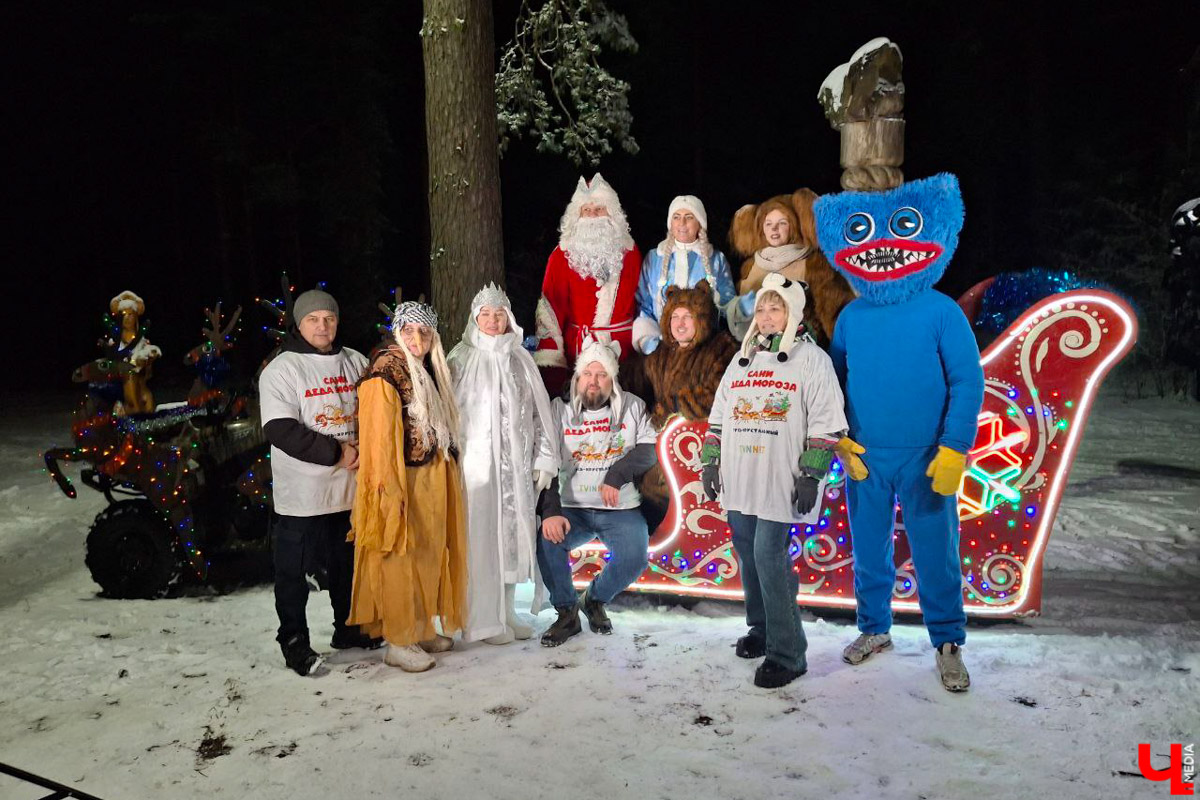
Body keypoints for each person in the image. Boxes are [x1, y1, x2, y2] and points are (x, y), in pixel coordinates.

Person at [814, 173, 985, 692]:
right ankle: (874, 629)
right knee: (869, 549)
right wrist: (838, 437)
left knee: (935, 549)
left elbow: (967, 380)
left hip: (926, 456)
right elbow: (834, 385)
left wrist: (955, 447)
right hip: (866, 456)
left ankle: (947, 641)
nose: (883, 247)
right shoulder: (851, 316)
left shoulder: (941, 310)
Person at [701, 273, 849, 688]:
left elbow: (825, 422)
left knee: (769, 554)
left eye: (775, 309)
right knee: (748, 554)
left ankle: (788, 652)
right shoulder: (741, 359)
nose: (766, 317)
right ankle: (761, 628)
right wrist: (710, 464)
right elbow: (718, 417)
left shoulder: (812, 360)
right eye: (762, 309)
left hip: (780, 477)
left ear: (792, 313)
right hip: (740, 477)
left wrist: (812, 472)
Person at [258, 288, 378, 676]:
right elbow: (281, 429)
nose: (322, 326)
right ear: (299, 323)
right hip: (304, 493)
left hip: (350, 489)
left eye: (329, 318)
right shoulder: (283, 369)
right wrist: (337, 453)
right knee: (293, 573)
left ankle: (348, 629)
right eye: (313, 319)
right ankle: (294, 642)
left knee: (348, 566)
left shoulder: (356, 361)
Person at [346, 300, 468, 673]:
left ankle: (420, 626)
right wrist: (388, 492)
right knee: (400, 554)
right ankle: (398, 639)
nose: (418, 338)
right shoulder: (386, 370)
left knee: (429, 552)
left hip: (431, 474)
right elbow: (380, 439)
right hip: (402, 478)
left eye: (426, 332)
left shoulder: (427, 367)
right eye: (411, 331)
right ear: (398, 331)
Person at [448, 283, 559, 645]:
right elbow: (447, 414)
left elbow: (541, 414)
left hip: (516, 469)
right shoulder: (459, 359)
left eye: (500, 314)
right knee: (479, 539)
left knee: (511, 540)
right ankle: (481, 617)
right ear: (474, 319)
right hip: (476, 472)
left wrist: (544, 457)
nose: (493, 321)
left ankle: (507, 611)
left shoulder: (520, 359)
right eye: (486, 315)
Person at [536, 338, 657, 646]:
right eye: (587, 374)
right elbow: (546, 459)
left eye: (601, 374)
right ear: (577, 377)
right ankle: (566, 613)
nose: (593, 381)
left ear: (612, 378)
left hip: (620, 508)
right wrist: (550, 512)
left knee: (634, 557)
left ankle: (594, 598)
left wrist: (616, 475)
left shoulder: (631, 406)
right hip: (572, 506)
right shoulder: (558, 409)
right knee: (548, 542)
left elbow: (648, 450)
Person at [533, 174, 642, 396]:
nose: (592, 216)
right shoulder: (561, 256)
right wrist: (553, 364)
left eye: (599, 209)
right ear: (576, 216)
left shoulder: (631, 253)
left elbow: (643, 303)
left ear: (612, 214)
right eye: (586, 210)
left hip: (624, 356)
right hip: (578, 355)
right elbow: (549, 311)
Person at [726, 189, 856, 346]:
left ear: (793, 226)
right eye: (768, 224)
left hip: (801, 348)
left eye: (782, 223)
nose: (774, 229)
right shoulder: (752, 266)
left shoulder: (813, 263)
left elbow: (835, 314)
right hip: (757, 349)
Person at [631, 195, 737, 354]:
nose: (682, 223)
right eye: (676, 217)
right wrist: (650, 343)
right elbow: (643, 303)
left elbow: (727, 303)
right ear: (670, 223)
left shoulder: (715, 259)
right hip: (661, 349)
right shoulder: (654, 258)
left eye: (689, 217)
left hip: (705, 350)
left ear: (700, 224)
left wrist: (739, 309)